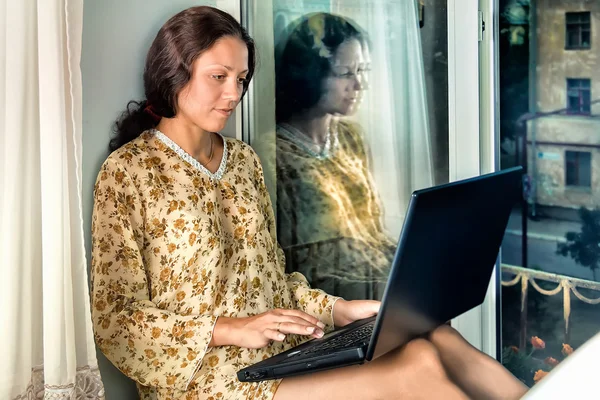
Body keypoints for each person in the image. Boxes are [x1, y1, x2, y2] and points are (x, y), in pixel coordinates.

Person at [91, 6, 528, 400]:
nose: (234, 94)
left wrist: (338, 309)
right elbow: (115, 320)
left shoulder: (242, 160)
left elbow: (274, 281)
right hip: (206, 379)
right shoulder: (128, 172)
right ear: (175, 71)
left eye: (241, 79)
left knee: (432, 339)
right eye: (218, 77)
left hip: (280, 355)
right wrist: (231, 330)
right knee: (416, 370)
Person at [274, 13, 395, 301]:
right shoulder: (274, 153)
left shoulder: (352, 137)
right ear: (310, 74)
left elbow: (374, 231)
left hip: (379, 286)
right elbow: (293, 262)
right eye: (345, 73)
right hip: (331, 302)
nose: (359, 84)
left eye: (362, 70)